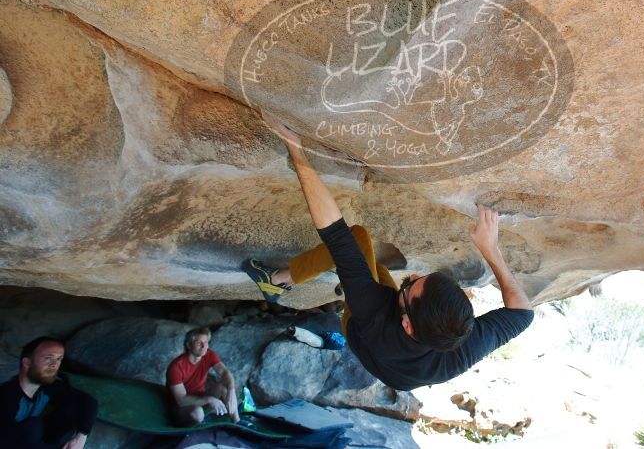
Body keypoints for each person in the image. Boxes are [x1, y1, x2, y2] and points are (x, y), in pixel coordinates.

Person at [242, 112, 535, 391]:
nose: (414, 276)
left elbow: (335, 233)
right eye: (422, 278)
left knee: (355, 242)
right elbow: (523, 314)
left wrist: (295, 148)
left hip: (361, 336)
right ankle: (327, 278)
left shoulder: (373, 313)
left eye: (411, 285)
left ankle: (277, 280)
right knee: (379, 272)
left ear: (406, 324)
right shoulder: (463, 343)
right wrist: (491, 249)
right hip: (395, 371)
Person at [0, 336, 98, 449]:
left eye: (59, 359)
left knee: (72, 409)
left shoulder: (47, 388)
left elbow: (88, 401)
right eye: (48, 358)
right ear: (27, 362)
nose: (54, 364)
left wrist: (80, 438)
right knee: (33, 426)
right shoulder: (6, 397)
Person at [165, 327, 240, 426]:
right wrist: (209, 399)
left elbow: (225, 373)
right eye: (199, 343)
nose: (204, 346)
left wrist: (232, 391)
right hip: (181, 408)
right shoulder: (176, 367)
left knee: (223, 387)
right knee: (198, 412)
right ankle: (199, 426)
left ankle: (238, 423)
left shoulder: (209, 355)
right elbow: (181, 401)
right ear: (189, 345)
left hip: (201, 399)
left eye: (206, 342)